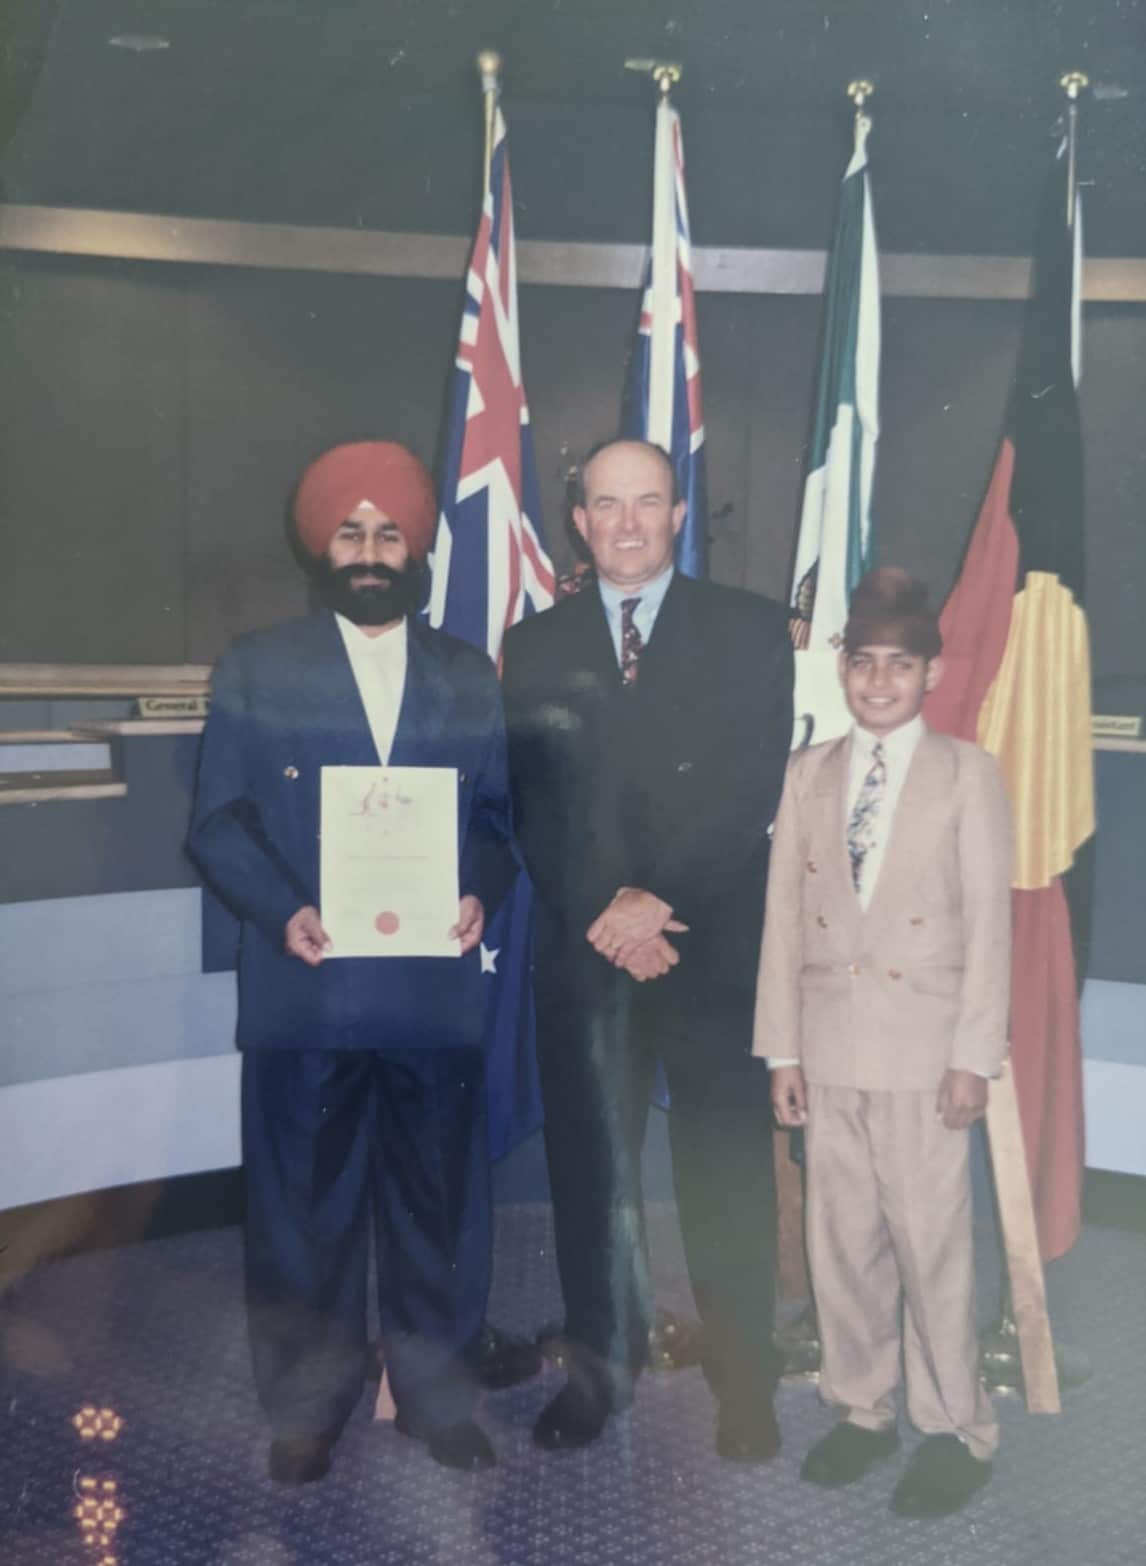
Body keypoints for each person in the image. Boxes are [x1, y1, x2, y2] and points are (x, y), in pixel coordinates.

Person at [188, 440, 516, 1481]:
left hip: (431, 991)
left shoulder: (468, 673)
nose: (370, 551)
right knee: (302, 1212)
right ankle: (307, 1408)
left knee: (439, 1206)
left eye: (389, 533)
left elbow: (501, 819)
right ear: (319, 544)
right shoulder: (257, 665)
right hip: (308, 988)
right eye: (350, 531)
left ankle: (437, 1398)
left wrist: (478, 886)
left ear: (416, 549)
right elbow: (219, 822)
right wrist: (281, 908)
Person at [501, 437, 794, 1458]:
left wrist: (654, 901)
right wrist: (611, 912)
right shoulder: (534, 647)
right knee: (593, 1177)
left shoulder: (752, 631)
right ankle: (598, 1373)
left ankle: (743, 1382)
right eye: (605, 504)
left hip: (708, 951)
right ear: (578, 522)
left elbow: (752, 788)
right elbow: (533, 808)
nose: (626, 522)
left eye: (649, 503)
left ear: (680, 514)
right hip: (590, 958)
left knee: (724, 1170)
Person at [756, 567, 1011, 1518]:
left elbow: (990, 927)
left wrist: (972, 1059)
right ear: (842, 671)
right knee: (842, 1240)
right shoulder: (809, 774)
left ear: (931, 675)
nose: (877, 682)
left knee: (931, 1244)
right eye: (862, 664)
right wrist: (782, 1050)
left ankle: (955, 1427)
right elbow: (784, 919)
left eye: (899, 666)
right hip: (829, 1049)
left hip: (924, 1052)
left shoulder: (965, 775)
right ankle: (863, 1409)